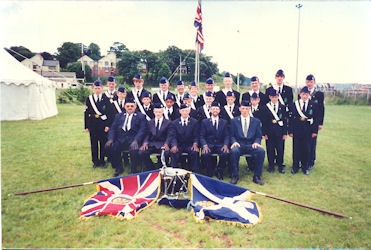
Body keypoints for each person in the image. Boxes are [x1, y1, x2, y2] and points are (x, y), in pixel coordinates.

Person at [105, 98, 148, 176]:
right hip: (120, 139)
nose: (130, 107)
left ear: (135, 107)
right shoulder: (118, 116)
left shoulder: (141, 116)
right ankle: (119, 168)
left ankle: (134, 169)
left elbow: (143, 130)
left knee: (134, 149)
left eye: (132, 106)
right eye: (128, 106)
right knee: (113, 147)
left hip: (133, 140)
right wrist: (111, 139)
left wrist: (136, 140)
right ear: (125, 106)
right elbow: (113, 128)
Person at [229, 101, 265, 185]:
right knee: (234, 151)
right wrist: (234, 142)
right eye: (243, 108)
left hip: (251, 145)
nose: (245, 110)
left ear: (250, 109)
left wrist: (256, 142)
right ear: (240, 109)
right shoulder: (234, 121)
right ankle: (235, 175)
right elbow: (232, 135)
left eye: (247, 109)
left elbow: (258, 136)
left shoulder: (256, 121)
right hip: (239, 144)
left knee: (261, 151)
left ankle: (257, 176)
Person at [265, 69, 293, 168]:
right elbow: (266, 106)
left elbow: (290, 104)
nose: (279, 78)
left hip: (281, 120)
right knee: (270, 147)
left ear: (283, 77)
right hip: (270, 124)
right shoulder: (269, 89)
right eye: (278, 76)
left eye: (281, 76)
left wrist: (287, 119)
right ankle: (271, 164)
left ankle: (280, 163)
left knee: (280, 146)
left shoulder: (288, 89)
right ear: (275, 77)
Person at [288, 86, 319, 175]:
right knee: (296, 148)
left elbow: (316, 119)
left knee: (306, 148)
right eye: (303, 94)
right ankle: (295, 167)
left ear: (309, 95)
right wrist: (290, 131)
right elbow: (290, 119)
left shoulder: (314, 105)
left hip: (308, 130)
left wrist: (314, 131)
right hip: (297, 129)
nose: (304, 96)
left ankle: (305, 167)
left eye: (306, 94)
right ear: (300, 94)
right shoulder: (294, 105)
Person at [299, 74, 324, 170]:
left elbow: (321, 109)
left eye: (311, 82)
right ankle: (302, 160)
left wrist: (320, 123)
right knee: (302, 142)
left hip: (313, 122)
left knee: (312, 142)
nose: (309, 84)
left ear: (314, 82)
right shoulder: (302, 93)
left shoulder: (319, 94)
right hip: (303, 123)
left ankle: (310, 161)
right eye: (308, 82)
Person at [200, 101, 229, 179]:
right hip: (209, 144)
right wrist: (205, 145)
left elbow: (226, 135)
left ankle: (219, 170)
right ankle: (209, 170)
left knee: (225, 153)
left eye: (217, 109)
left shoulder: (224, 122)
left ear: (219, 110)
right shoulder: (205, 122)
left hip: (220, 144)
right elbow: (202, 136)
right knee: (205, 154)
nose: (215, 110)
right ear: (210, 110)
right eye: (213, 109)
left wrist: (226, 145)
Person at [84, 80, 110, 168]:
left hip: (102, 124)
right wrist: (86, 126)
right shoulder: (89, 98)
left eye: (99, 88)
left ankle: (102, 161)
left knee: (103, 143)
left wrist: (107, 125)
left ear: (102, 88)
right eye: (96, 88)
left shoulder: (106, 98)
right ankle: (95, 162)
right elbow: (86, 113)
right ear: (93, 88)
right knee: (93, 144)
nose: (97, 90)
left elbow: (108, 113)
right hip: (92, 124)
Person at [261, 89, 288, 173]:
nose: (274, 98)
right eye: (272, 97)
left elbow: (284, 121)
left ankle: (280, 166)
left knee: (280, 149)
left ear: (278, 97)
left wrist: (284, 133)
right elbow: (264, 121)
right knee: (270, 149)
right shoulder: (265, 107)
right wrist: (264, 133)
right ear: (269, 97)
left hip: (279, 132)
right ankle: (271, 166)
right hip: (269, 132)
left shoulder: (283, 107)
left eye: (276, 97)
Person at [139, 103, 171, 170]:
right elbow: (147, 134)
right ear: (153, 112)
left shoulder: (168, 122)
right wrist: (145, 142)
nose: (158, 114)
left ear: (163, 112)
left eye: (159, 112)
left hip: (163, 144)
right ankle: (151, 168)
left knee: (166, 153)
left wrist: (167, 144)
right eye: (156, 112)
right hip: (152, 144)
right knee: (142, 152)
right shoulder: (150, 122)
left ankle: (163, 167)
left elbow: (169, 135)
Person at [169, 103, 200, 171]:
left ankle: (194, 172)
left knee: (195, 152)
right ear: (180, 111)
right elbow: (173, 136)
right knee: (173, 151)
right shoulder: (174, 123)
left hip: (190, 144)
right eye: (183, 111)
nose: (185, 112)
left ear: (189, 111)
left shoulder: (194, 122)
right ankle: (175, 172)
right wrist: (174, 145)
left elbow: (196, 135)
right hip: (179, 145)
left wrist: (195, 144)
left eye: (186, 110)